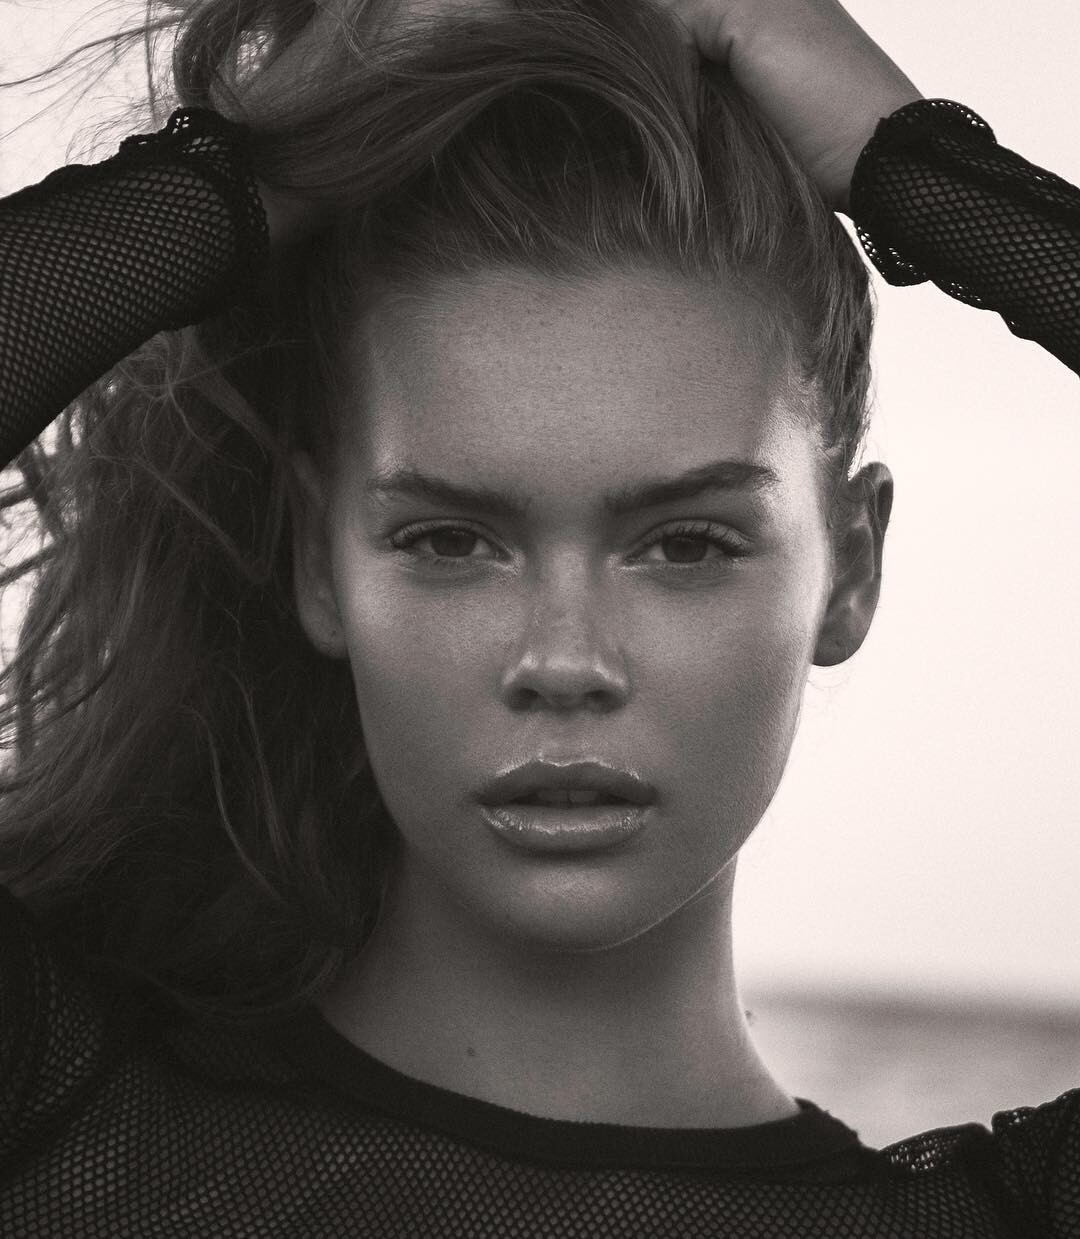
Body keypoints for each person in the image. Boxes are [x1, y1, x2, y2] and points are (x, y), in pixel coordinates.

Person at [0, 0, 1076, 1233]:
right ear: (317, 560)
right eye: (450, 542)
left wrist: (913, 163)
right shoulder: (57, 1112)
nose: (564, 661)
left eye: (686, 544)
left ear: (850, 569)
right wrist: (267, 163)